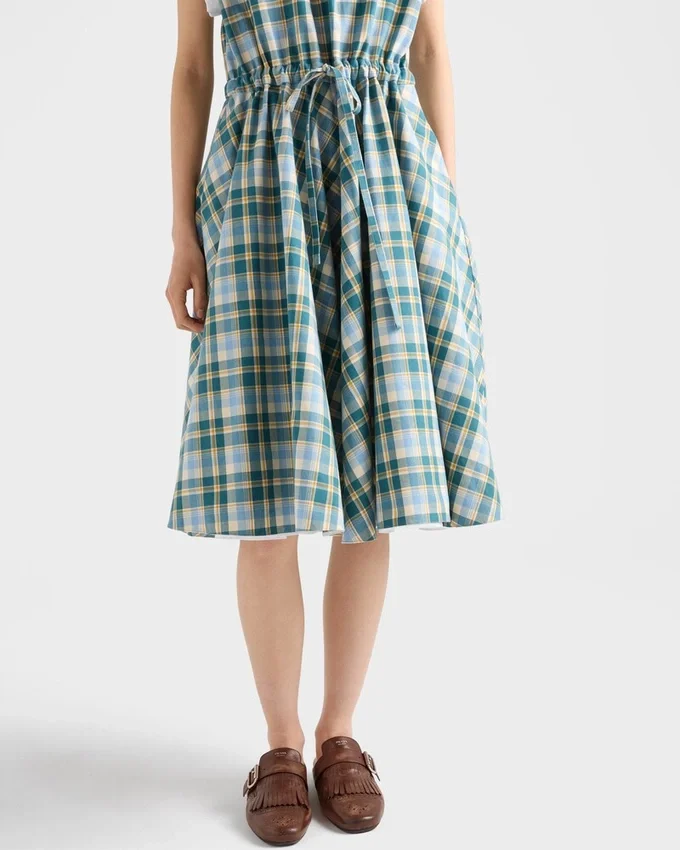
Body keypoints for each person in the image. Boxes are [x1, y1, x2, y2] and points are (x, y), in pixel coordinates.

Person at [166, 0, 501, 842]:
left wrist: (443, 205)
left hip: (388, 185)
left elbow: (430, 49)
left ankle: (338, 732)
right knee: (265, 487)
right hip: (255, 189)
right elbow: (195, 67)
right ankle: (280, 742)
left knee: (371, 488)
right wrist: (182, 232)